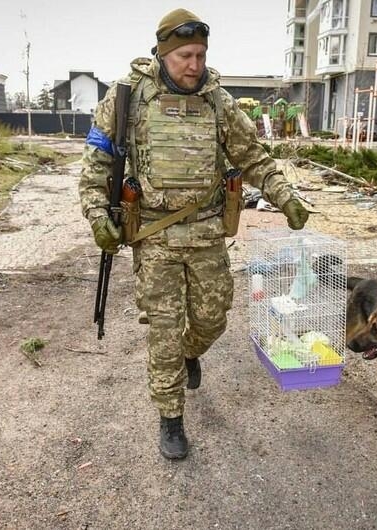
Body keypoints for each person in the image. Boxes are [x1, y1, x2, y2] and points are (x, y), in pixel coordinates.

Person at [78, 8, 308, 460]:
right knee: (163, 329)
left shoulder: (218, 102)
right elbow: (96, 165)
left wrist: (285, 196)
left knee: (212, 319)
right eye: (185, 55)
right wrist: (94, 214)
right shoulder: (126, 99)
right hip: (155, 235)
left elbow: (253, 157)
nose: (195, 65)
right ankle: (170, 417)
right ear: (164, 54)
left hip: (205, 233)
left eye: (201, 55)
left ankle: (191, 352)